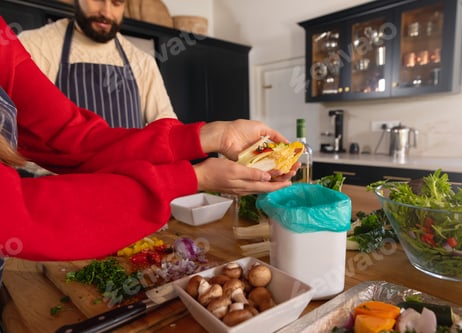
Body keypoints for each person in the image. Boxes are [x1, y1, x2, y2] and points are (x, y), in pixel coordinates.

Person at [0, 16, 297, 262]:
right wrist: (192, 178)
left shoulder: (5, 43)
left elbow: (73, 140)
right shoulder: (41, 41)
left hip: (112, 204)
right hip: (75, 219)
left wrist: (211, 135)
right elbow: (17, 215)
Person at [18, 0, 177, 128]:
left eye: (117, 3)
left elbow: (167, 128)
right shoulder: (33, 45)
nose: (106, 13)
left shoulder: (143, 61)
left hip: (128, 168)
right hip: (59, 169)